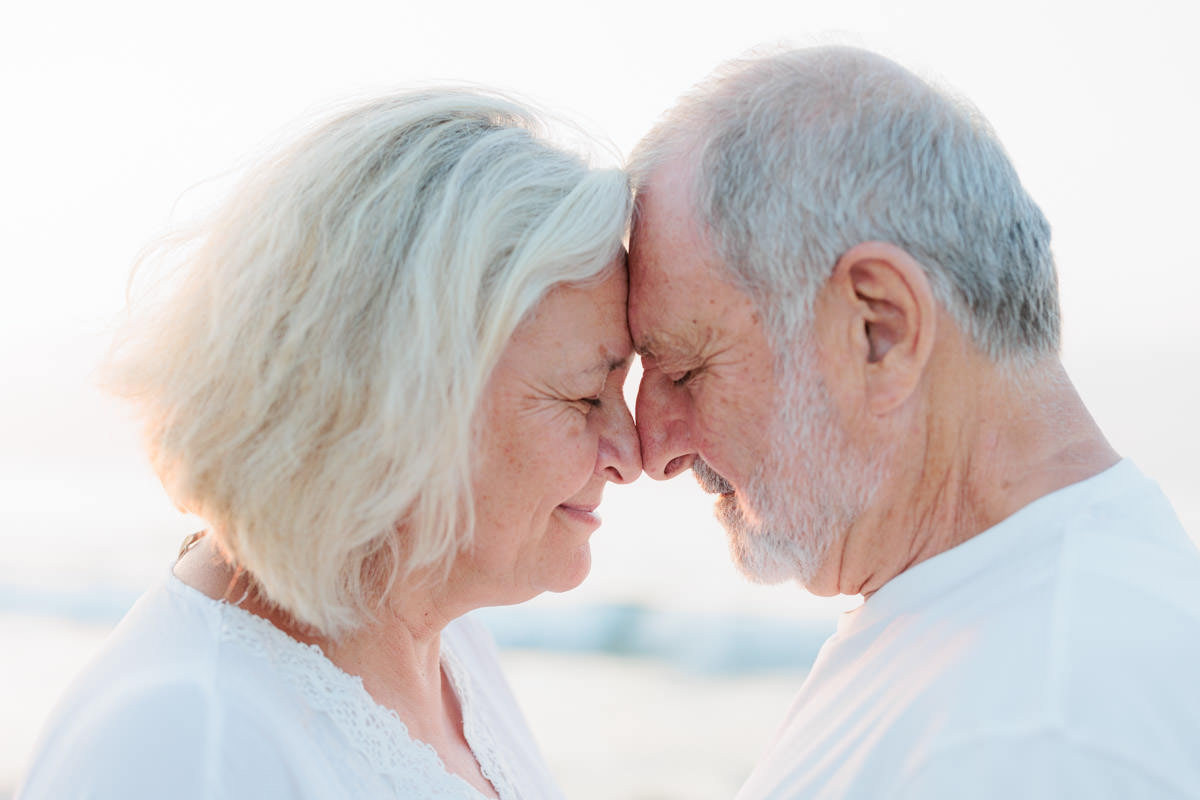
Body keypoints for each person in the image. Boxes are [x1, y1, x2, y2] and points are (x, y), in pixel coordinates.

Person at [18, 90, 640, 799]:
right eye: (586, 396)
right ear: (399, 396)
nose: (634, 452)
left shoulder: (449, 648)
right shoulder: (187, 742)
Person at [627, 45, 1200, 799]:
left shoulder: (1043, 734)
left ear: (880, 330)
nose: (652, 447)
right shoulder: (984, 636)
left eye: (688, 368)